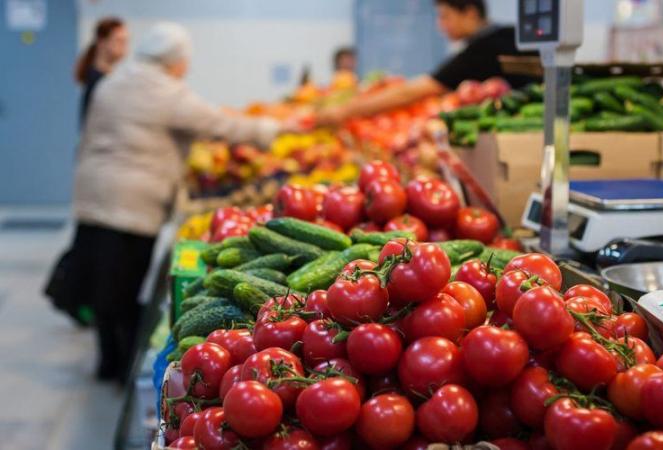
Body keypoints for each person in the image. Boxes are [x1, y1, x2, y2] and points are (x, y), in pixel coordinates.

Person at [71, 22, 287, 383]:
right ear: (174, 61)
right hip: (132, 203)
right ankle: (122, 366)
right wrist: (275, 130)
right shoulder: (164, 91)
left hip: (94, 192)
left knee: (101, 283)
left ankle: (107, 361)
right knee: (124, 287)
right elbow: (220, 125)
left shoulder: (115, 81)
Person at [317, 0, 535, 124]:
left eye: (444, 16)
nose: (441, 25)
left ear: (469, 13)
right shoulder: (507, 34)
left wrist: (344, 111)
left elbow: (412, 92)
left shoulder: (482, 49)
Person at [74, 17, 128, 125]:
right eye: (119, 41)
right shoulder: (97, 82)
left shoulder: (107, 79)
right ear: (102, 42)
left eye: (126, 41)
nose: (124, 46)